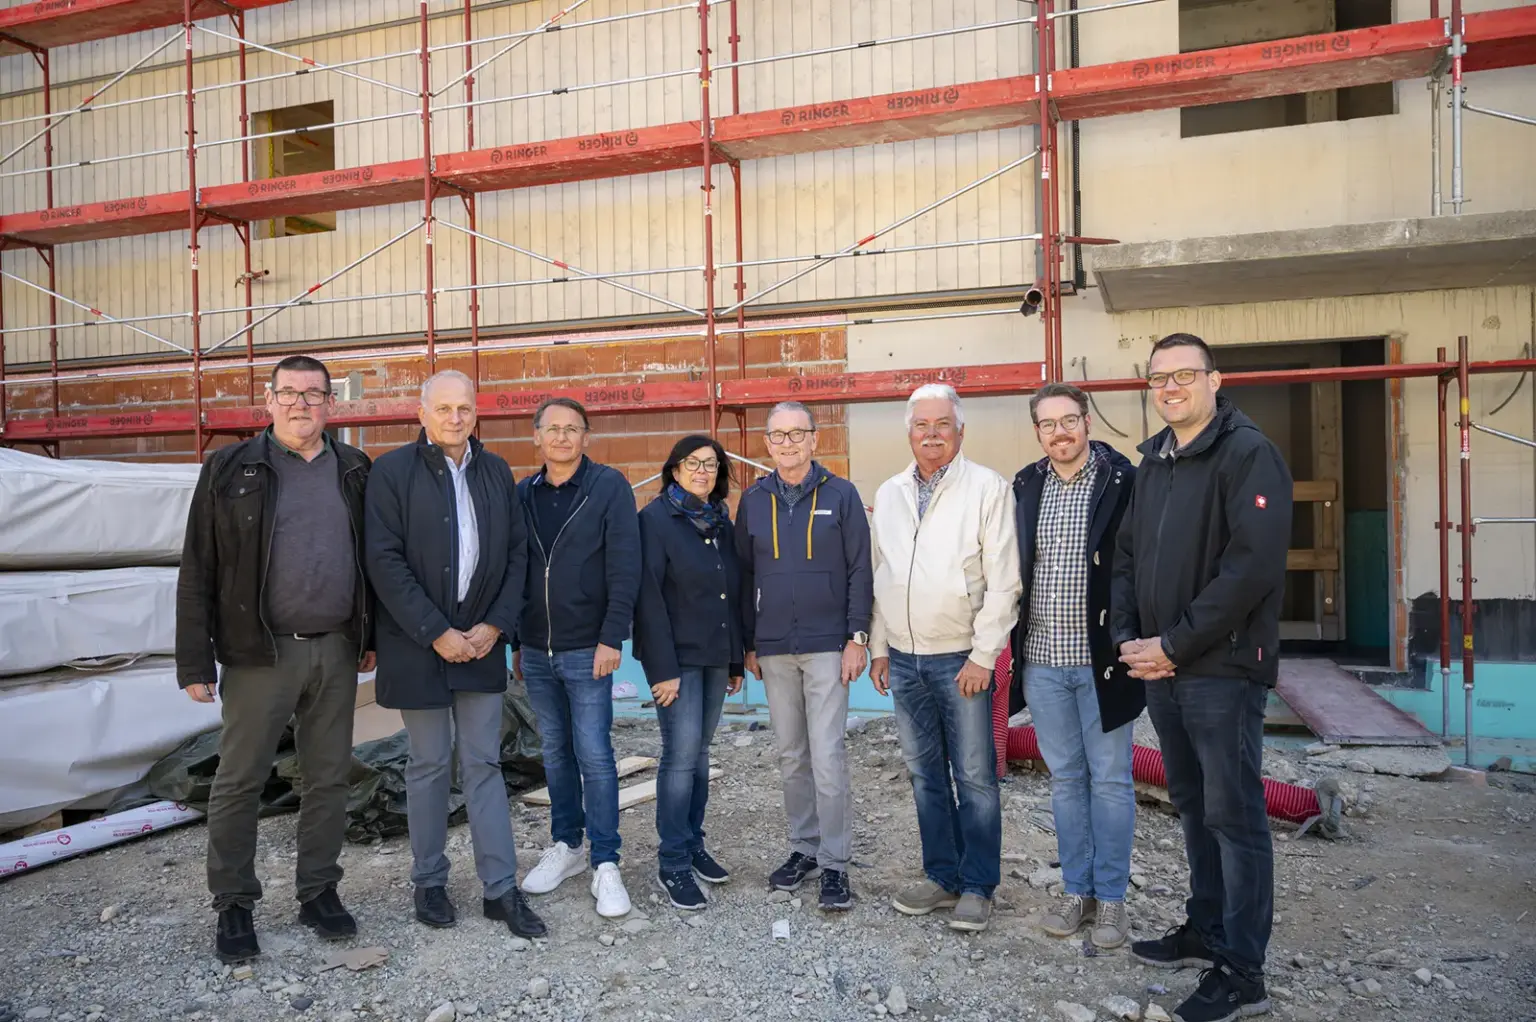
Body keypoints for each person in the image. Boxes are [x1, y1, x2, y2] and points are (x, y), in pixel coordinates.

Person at [1113, 333, 1293, 1022]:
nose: (1170, 387)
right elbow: (1128, 554)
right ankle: (1206, 927)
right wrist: (1134, 640)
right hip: (1161, 666)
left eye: (1185, 374)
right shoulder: (1154, 460)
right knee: (1193, 804)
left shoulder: (1249, 454)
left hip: (1219, 669)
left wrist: (1176, 645)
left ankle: (1243, 970)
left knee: (1236, 816)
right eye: (1158, 377)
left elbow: (1250, 571)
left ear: (1215, 381)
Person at [176, 354, 373, 963]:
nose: (301, 404)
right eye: (289, 393)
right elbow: (198, 566)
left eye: (314, 395)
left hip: (336, 650)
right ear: (269, 399)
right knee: (239, 781)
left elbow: (374, 559)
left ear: (330, 405)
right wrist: (193, 660)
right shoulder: (230, 468)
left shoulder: (356, 469)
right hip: (258, 653)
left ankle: (318, 890)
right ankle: (234, 903)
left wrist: (370, 636)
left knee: (329, 777)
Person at [363, 370, 546, 939]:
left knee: (485, 764)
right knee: (428, 765)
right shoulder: (391, 473)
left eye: (464, 408)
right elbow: (384, 560)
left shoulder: (494, 471)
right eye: (442, 408)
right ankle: (430, 881)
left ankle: (500, 889)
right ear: (421, 413)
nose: (454, 418)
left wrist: (494, 626)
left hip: (482, 644)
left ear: (476, 413)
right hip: (419, 645)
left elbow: (516, 556)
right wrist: (435, 630)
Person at [869, 383, 1020, 933]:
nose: (930, 434)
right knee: (924, 775)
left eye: (941, 425)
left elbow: (1004, 583)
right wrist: (880, 646)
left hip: (962, 658)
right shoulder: (889, 493)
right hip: (905, 660)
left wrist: (984, 656)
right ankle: (942, 877)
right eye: (920, 425)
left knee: (976, 776)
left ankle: (978, 884)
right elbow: (882, 574)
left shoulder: (987, 489)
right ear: (908, 431)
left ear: (961, 430)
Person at [1010, 382, 1141, 949]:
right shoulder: (1025, 484)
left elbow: (1140, 564)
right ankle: (1076, 890)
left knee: (1110, 781)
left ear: (1087, 422)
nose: (1059, 432)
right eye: (1048, 424)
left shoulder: (1124, 481)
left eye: (1069, 421)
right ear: (1037, 431)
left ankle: (1111, 901)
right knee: (1066, 782)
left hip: (1101, 662)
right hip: (1041, 662)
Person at [735, 401, 872, 910]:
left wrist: (857, 637)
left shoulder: (842, 494)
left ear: (815, 440)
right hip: (773, 650)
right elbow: (744, 575)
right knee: (791, 755)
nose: (788, 443)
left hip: (827, 648)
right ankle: (803, 849)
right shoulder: (752, 501)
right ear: (767, 444)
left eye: (798, 434)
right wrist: (749, 641)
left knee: (829, 758)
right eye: (779, 435)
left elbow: (861, 568)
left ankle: (836, 863)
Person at [514, 397, 642, 918]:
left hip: (589, 647)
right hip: (536, 649)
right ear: (537, 437)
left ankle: (606, 861)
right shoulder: (522, 494)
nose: (563, 438)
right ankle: (567, 844)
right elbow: (514, 570)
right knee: (554, 751)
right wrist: (515, 643)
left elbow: (624, 565)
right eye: (553, 429)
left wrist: (613, 637)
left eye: (573, 429)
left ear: (586, 437)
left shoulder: (607, 487)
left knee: (594, 752)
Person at [633, 435, 745, 910]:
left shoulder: (719, 520)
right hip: (675, 662)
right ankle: (672, 861)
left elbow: (731, 590)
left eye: (711, 464)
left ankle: (693, 842)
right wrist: (661, 670)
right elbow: (648, 599)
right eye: (693, 463)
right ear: (674, 469)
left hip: (715, 656)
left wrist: (736, 658)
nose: (703, 471)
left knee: (699, 755)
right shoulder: (655, 520)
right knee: (679, 758)